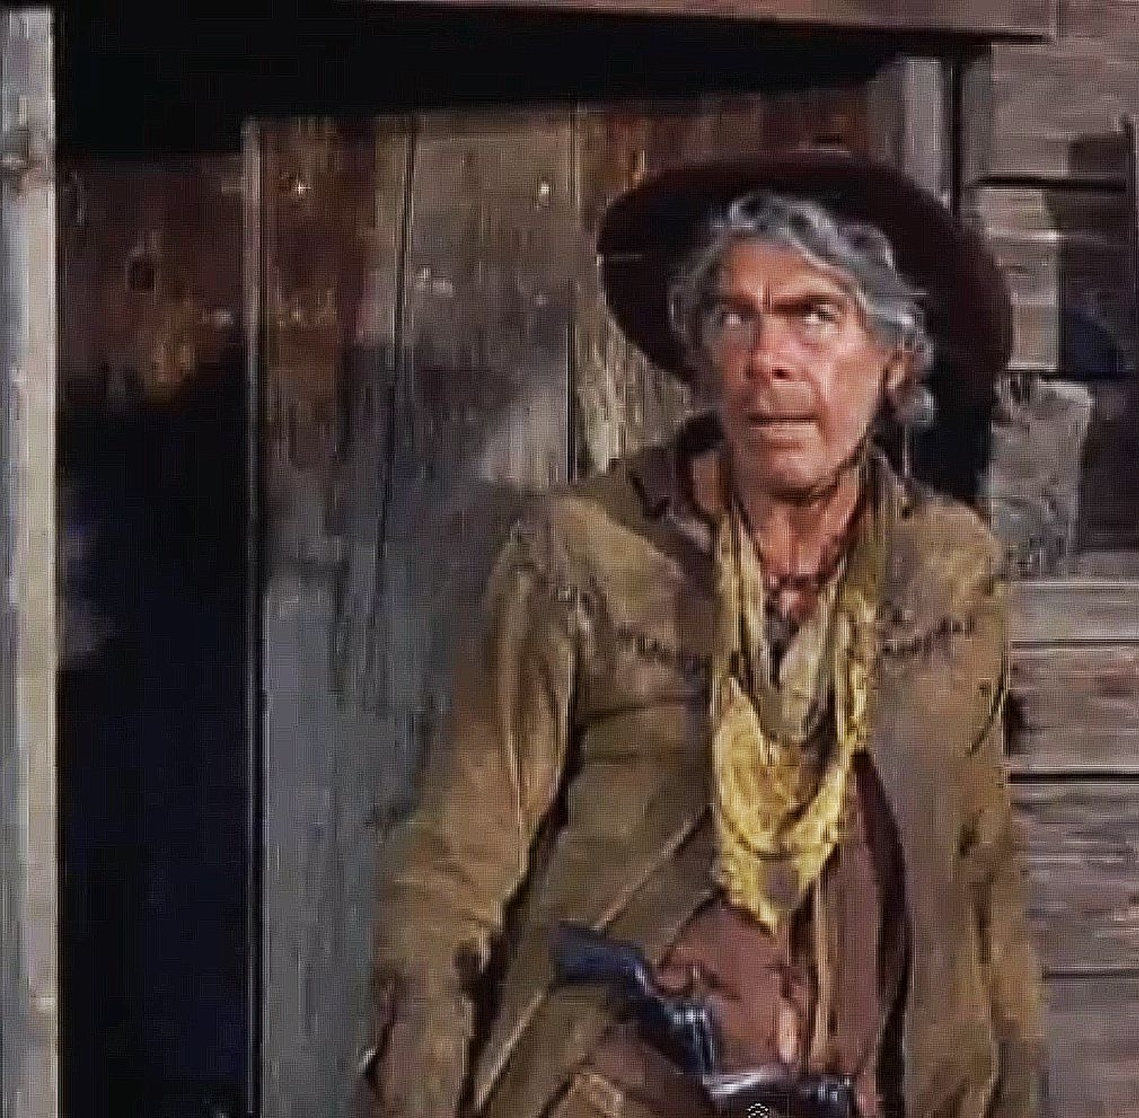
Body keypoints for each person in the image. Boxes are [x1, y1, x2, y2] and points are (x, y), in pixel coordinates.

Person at [363, 149, 1048, 1118]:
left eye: (813, 316)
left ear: (894, 359)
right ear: (699, 355)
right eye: (733, 317)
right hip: (619, 1091)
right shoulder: (587, 557)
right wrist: (416, 1090)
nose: (766, 358)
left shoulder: (945, 572)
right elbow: (456, 863)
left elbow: (982, 873)